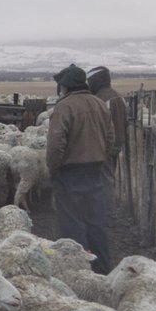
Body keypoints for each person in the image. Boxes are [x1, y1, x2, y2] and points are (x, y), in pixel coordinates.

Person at [46, 64, 117, 274]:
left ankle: (79, 273)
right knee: (96, 223)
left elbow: (56, 144)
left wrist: (53, 170)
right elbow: (110, 138)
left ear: (65, 86)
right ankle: (103, 270)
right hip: (95, 171)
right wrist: (101, 158)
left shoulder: (64, 107)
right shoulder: (99, 104)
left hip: (70, 173)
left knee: (72, 224)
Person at [86, 65, 128, 173]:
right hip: (118, 143)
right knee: (110, 173)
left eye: (90, 82)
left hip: (104, 146)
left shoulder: (99, 99)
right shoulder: (119, 96)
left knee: (102, 176)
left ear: (96, 81)